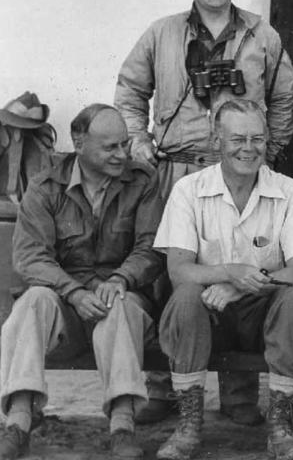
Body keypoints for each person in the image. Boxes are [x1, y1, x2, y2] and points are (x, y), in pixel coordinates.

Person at [114, 0, 293, 425]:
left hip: (239, 170)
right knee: (162, 277)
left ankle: (238, 396)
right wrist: (137, 141)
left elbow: (283, 98)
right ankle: (164, 385)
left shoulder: (262, 35)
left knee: (240, 266)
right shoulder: (162, 34)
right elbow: (130, 89)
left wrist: (267, 153)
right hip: (177, 172)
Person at [153, 100, 293, 460]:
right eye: (238, 139)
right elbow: (179, 270)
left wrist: (238, 286)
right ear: (217, 140)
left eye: (258, 139)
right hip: (208, 316)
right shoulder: (189, 189)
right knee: (184, 297)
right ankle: (188, 425)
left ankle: (280, 425)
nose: (249, 148)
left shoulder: (289, 192)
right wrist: (229, 271)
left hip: (264, 314)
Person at [0, 105, 163, 460]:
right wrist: (72, 292)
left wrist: (121, 277)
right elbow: (31, 257)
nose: (122, 154)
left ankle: (122, 426)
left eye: (125, 144)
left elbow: (151, 248)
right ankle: (19, 421)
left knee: (119, 305)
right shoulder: (45, 187)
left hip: (124, 305)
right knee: (33, 301)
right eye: (110, 147)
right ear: (79, 143)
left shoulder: (142, 182)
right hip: (67, 308)